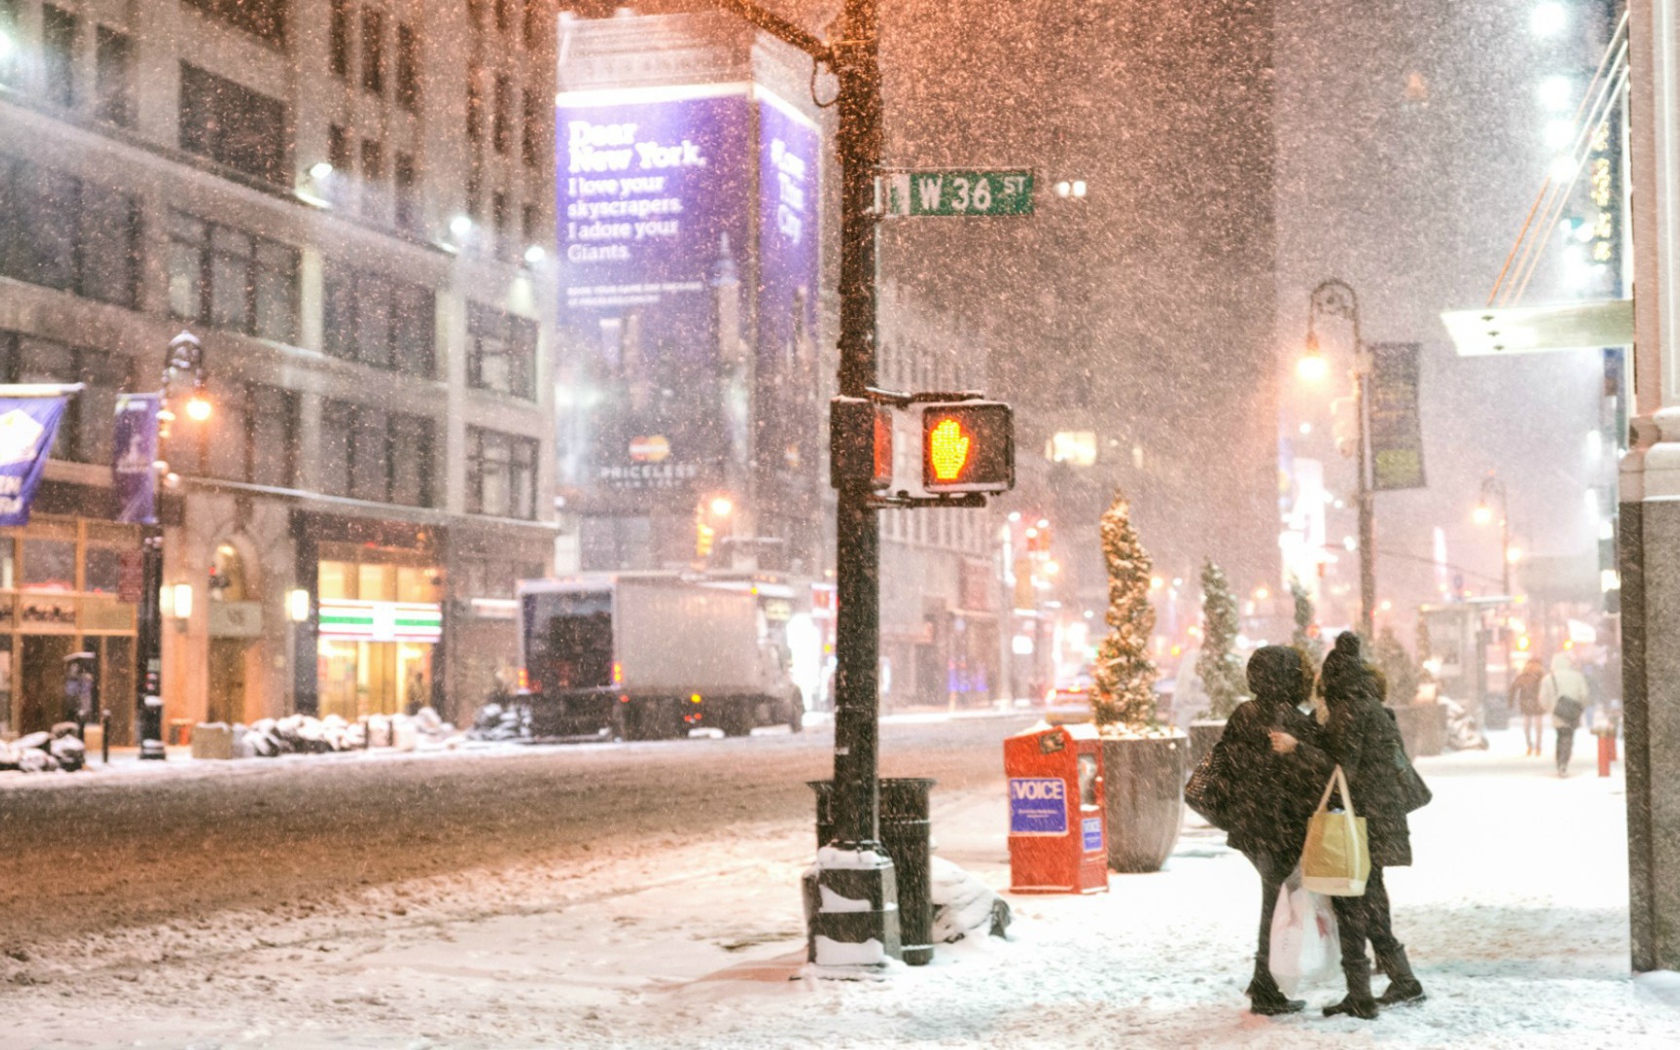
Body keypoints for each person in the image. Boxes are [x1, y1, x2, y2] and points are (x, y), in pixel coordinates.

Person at [1276, 632, 1426, 1019]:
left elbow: (1340, 768)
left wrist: (1298, 748)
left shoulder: (1348, 711)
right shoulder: (1371, 705)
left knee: (1352, 904)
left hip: (1359, 823)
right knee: (1372, 900)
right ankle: (1402, 980)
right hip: (1379, 819)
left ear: (1331, 680)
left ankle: (1360, 995)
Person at [1215, 645, 1331, 1016]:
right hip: (1283, 826)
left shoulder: (1243, 713)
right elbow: (1318, 774)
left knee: (1273, 899)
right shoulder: (1294, 720)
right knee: (1278, 904)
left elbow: (1226, 764)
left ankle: (1263, 979)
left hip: (1252, 825)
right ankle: (1267, 988)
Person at [1539, 651, 1589, 777]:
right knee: (1569, 736)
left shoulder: (1549, 678)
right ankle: (1564, 761)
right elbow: (1585, 695)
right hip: (1573, 712)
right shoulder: (1577, 677)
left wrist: (1552, 708)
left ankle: (1560, 761)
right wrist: (1580, 707)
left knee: (1560, 736)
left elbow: (1542, 699)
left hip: (1558, 713)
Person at [1508, 657, 1546, 756]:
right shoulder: (1542, 676)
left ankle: (1530, 745)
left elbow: (1513, 688)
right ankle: (1538, 746)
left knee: (1527, 726)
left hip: (1526, 702)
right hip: (1538, 702)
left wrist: (1510, 702)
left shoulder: (1524, 675)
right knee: (1538, 727)